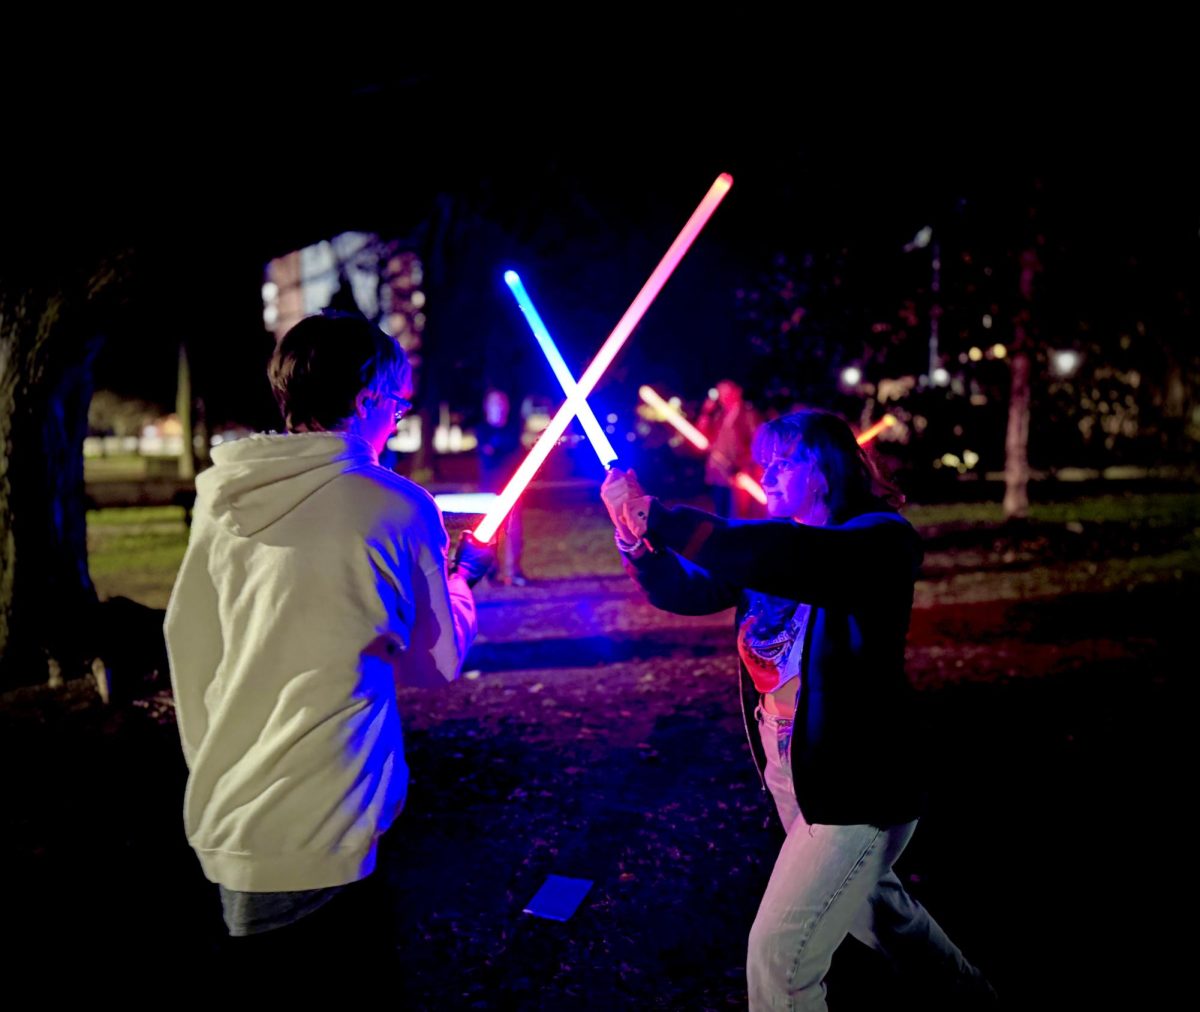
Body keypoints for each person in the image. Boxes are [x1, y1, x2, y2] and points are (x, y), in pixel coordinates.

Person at [600, 408, 997, 1010]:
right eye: (767, 464)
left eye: (784, 462)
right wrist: (637, 538)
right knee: (881, 916)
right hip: (794, 773)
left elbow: (794, 556)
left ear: (827, 467)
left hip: (856, 782)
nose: (770, 475)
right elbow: (689, 589)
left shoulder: (881, 541)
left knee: (779, 955)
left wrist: (667, 518)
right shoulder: (771, 547)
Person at [164, 311, 494, 966]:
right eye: (398, 397)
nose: (401, 412)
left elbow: (188, 638)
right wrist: (461, 581)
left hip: (231, 805)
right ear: (368, 392)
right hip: (327, 815)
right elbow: (438, 661)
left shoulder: (222, 497)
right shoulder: (395, 506)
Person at [476, 385, 527, 586]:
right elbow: (489, 456)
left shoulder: (513, 429)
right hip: (489, 490)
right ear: (487, 407)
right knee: (490, 534)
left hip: (512, 489)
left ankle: (513, 571)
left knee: (514, 533)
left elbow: (514, 455)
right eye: (496, 403)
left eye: (502, 402)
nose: (500, 407)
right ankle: (491, 572)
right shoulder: (483, 430)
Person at [696, 378, 760, 518]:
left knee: (736, 514)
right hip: (718, 471)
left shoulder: (748, 415)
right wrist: (706, 412)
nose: (723, 398)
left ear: (736, 392)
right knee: (719, 513)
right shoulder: (719, 415)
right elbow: (702, 434)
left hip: (738, 474)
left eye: (726, 393)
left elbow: (756, 444)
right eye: (721, 394)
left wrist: (742, 464)